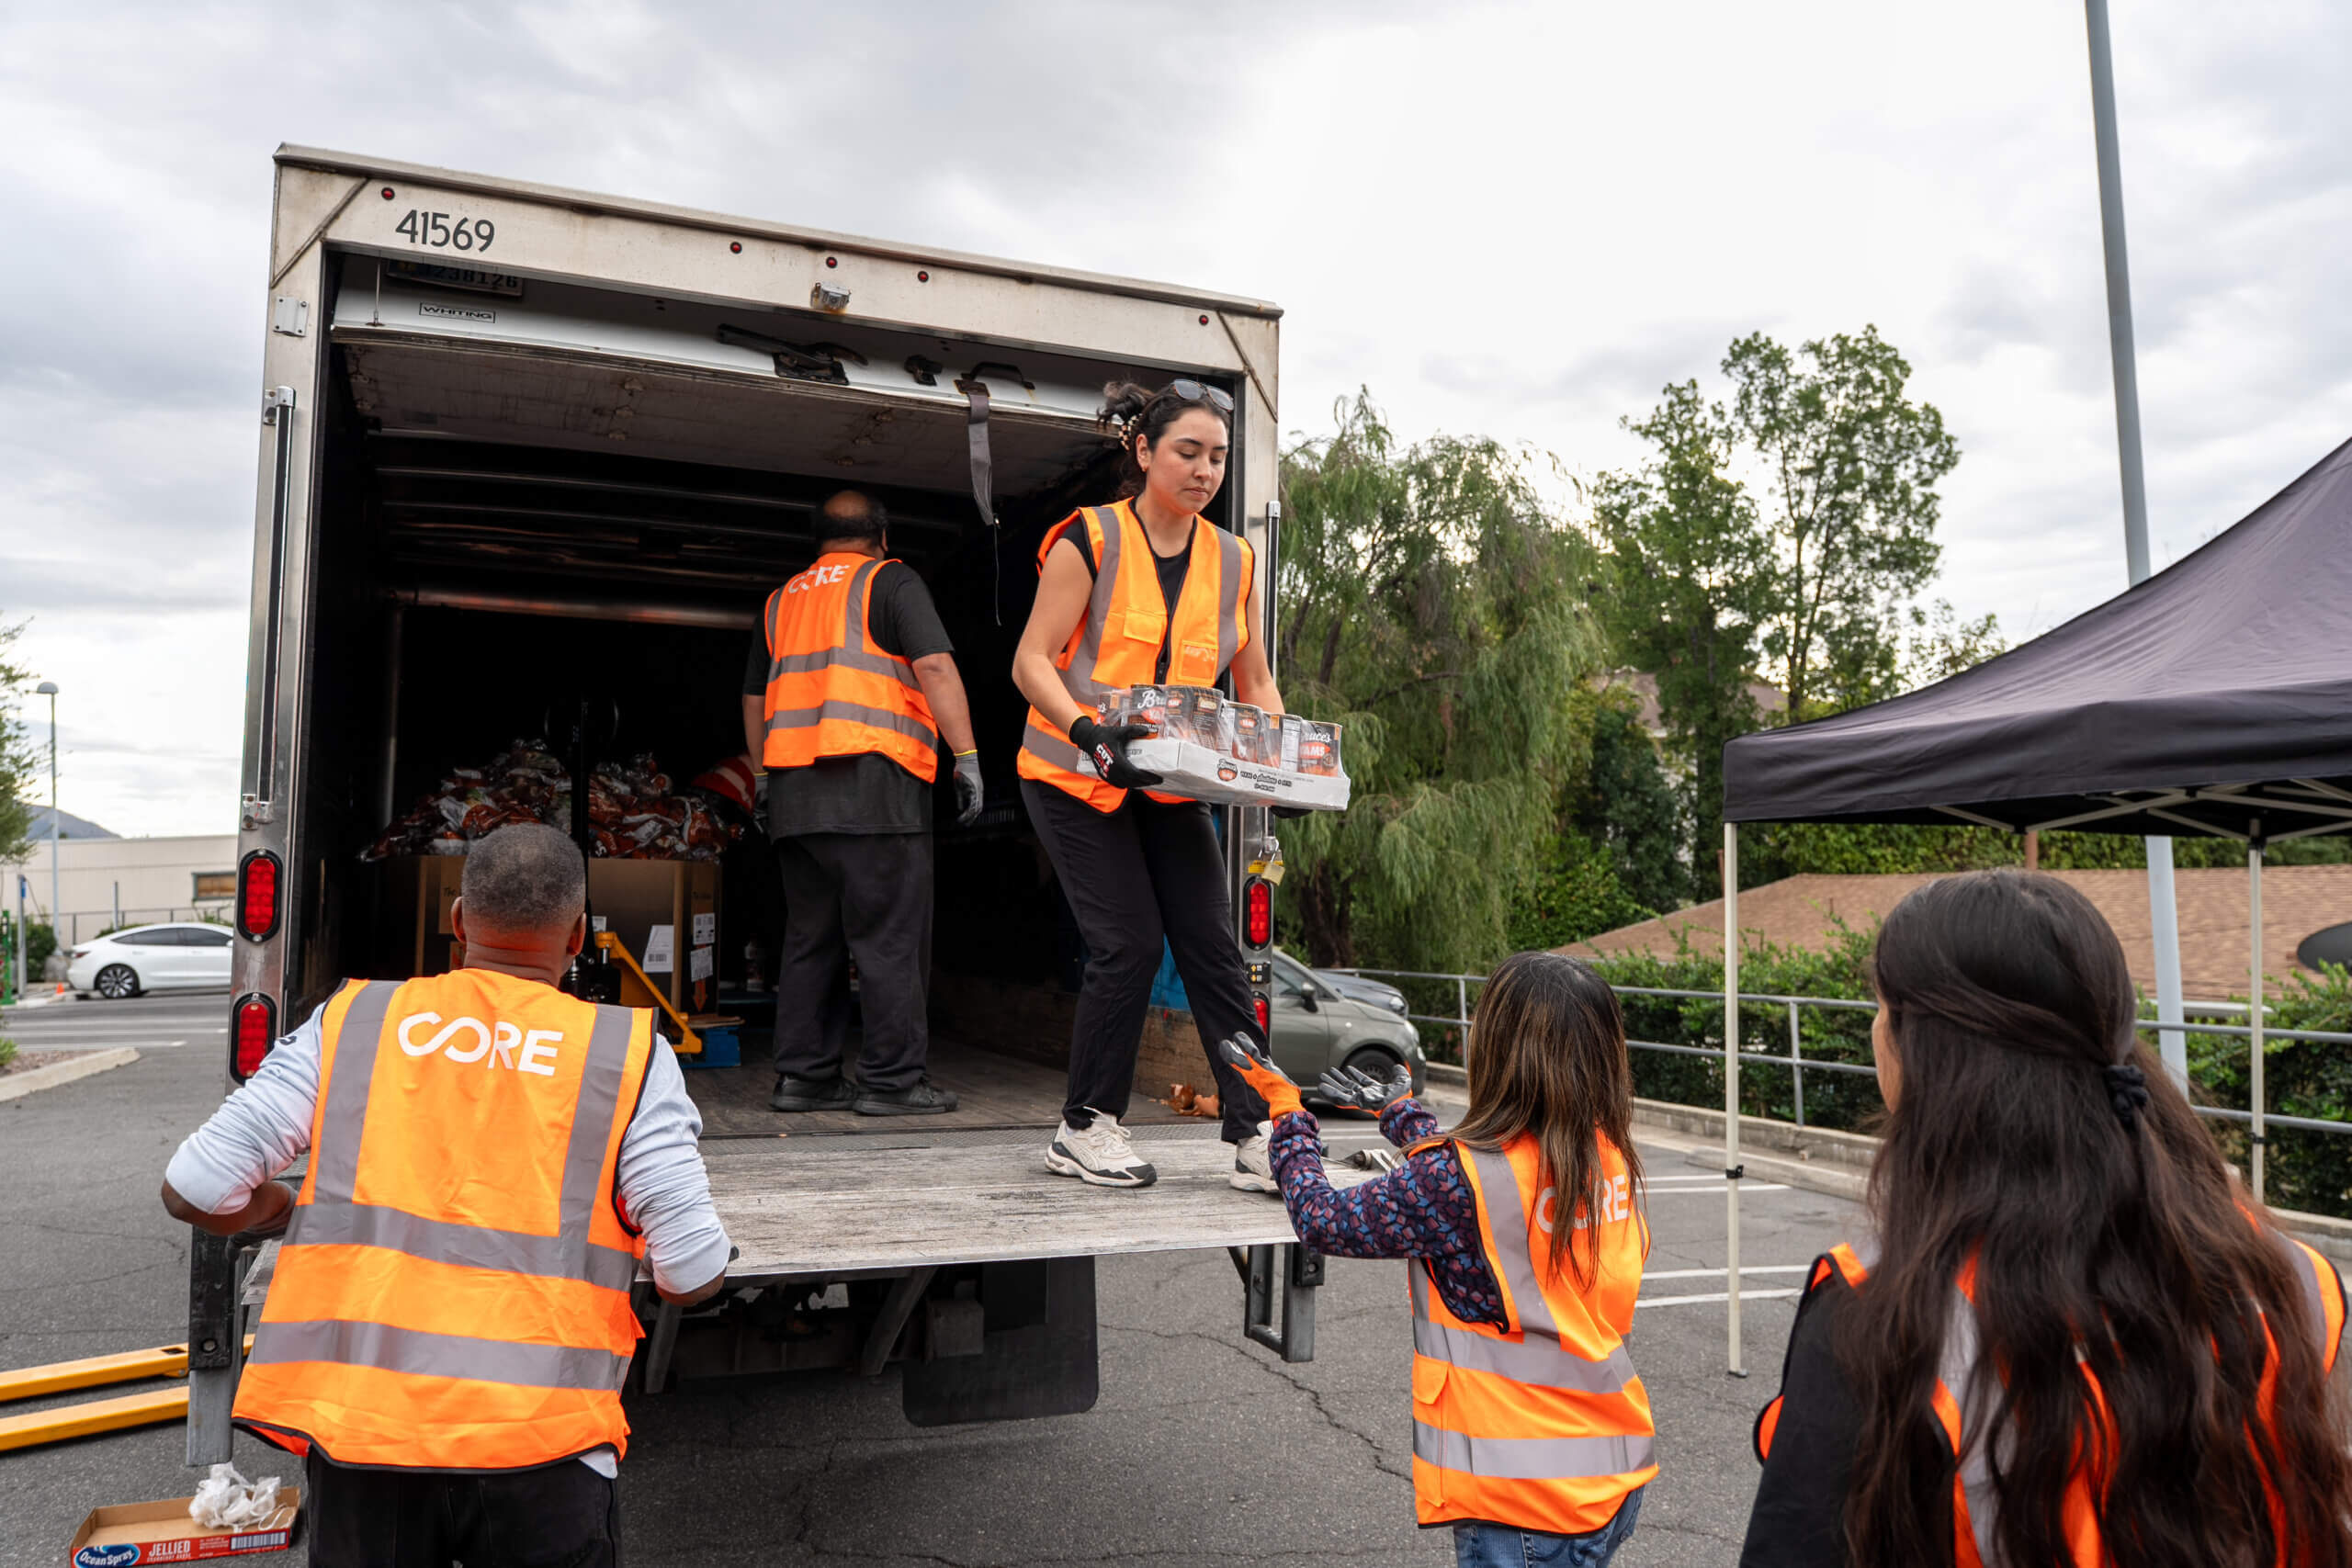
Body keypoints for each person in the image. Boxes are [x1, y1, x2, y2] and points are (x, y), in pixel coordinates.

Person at [1740, 870, 2352, 1568]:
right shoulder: (2297, 1283)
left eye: (1880, 1008)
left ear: (1929, 1057)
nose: (1873, 1031)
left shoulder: (1887, 1319)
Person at [159, 823, 729, 1568]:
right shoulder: (626, 1051)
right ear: (580, 935)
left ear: (458, 922)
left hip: (365, 1442)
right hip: (545, 1446)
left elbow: (194, 1187)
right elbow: (691, 1272)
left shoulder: (355, 1020)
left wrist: (281, 1210)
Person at [1220, 951, 1655, 1567]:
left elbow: (1322, 1218)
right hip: (1611, 1471)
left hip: (1524, 1507)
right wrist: (1402, 1115)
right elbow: (1489, 1187)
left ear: (1499, 1051)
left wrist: (1288, 1114)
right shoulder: (1608, 1156)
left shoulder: (1459, 1184)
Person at [1011, 379, 1284, 1190]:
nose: (1205, 470)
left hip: (1169, 784)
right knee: (1127, 942)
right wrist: (1089, 733)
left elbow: (1256, 679)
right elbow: (1030, 659)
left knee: (1213, 950)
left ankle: (1258, 1132)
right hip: (1073, 773)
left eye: (1218, 458)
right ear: (1143, 453)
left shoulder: (1234, 559)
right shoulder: (1089, 540)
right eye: (1187, 452)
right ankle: (1084, 1125)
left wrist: (1277, 766)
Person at [742, 489, 981, 1116]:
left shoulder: (781, 601)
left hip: (795, 799)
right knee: (889, 940)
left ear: (818, 538)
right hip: (877, 791)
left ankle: (805, 1076)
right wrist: (968, 755)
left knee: (809, 941)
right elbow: (933, 667)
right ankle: (894, 1080)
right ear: (883, 537)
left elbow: (753, 699)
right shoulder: (892, 582)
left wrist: (763, 779)